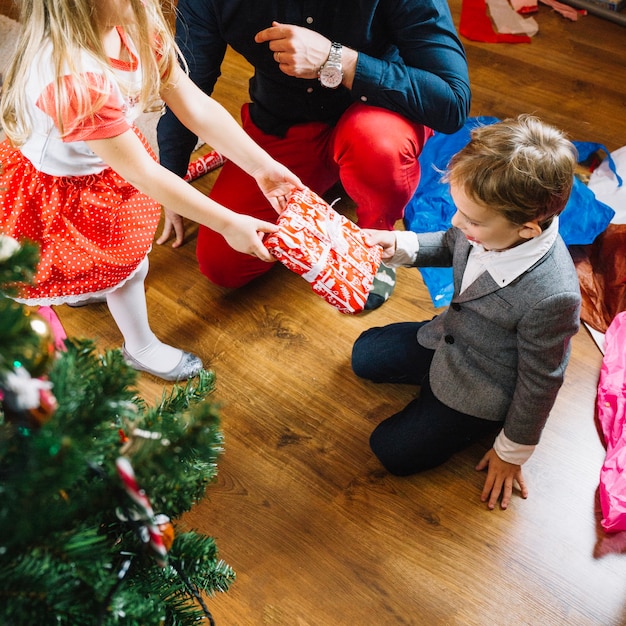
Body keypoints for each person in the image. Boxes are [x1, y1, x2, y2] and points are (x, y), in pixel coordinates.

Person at [0, 0, 302, 382]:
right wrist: (228, 223)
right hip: (62, 195)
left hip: (107, 171)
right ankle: (140, 346)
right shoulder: (75, 82)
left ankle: (94, 290)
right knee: (129, 268)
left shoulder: (133, 26)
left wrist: (262, 166)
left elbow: (195, 106)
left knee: (116, 265)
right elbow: (145, 174)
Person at [156, 0, 471, 310]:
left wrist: (338, 61)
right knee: (222, 264)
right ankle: (338, 172)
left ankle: (377, 234)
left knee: (376, 144)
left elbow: (452, 103)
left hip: (377, 111)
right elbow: (187, 86)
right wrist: (172, 177)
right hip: (285, 117)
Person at [351, 115, 582, 509]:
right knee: (364, 354)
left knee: (391, 451)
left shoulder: (553, 297)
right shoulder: (487, 223)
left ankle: (471, 423)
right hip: (446, 334)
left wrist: (512, 450)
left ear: (526, 229)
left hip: (483, 383)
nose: (458, 222)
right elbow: (451, 241)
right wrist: (399, 244)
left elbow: (542, 381)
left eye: (471, 220)